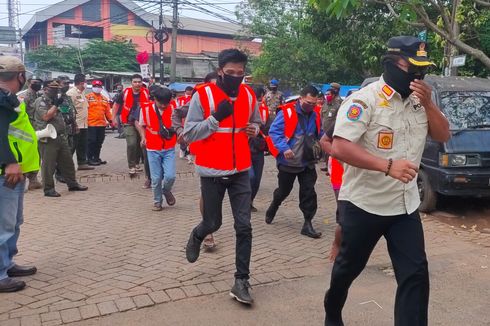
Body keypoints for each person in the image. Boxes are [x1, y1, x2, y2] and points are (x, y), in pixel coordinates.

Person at [323, 36, 451, 326]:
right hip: (364, 204)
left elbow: (443, 135)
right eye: (413, 68)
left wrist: (429, 104)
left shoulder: (421, 103)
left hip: (404, 207)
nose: (419, 76)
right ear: (393, 64)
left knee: (415, 275)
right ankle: (332, 309)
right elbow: (340, 146)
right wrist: (387, 165)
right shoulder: (364, 100)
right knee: (347, 269)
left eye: (423, 69)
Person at [183, 48, 261, 305]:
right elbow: (190, 134)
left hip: (240, 170)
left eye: (241, 73)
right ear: (220, 71)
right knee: (213, 223)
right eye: (230, 73)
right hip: (212, 171)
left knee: (244, 226)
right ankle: (198, 234)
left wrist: (254, 128)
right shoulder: (202, 95)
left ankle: (241, 281)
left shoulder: (249, 95)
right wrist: (216, 117)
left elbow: (256, 120)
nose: (236, 77)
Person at [0, 56, 39, 292]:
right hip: (7, 172)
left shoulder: (8, 99)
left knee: (14, 222)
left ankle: (8, 262)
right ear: (21, 77)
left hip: (13, 171)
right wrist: (10, 162)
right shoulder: (2, 99)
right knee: (4, 225)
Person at [265, 85, 323, 239]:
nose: (311, 106)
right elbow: (274, 132)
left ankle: (307, 223)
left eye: (314, 103)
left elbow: (321, 133)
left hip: (307, 161)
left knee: (308, 192)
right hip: (289, 161)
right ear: (301, 98)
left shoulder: (316, 114)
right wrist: (284, 148)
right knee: (284, 191)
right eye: (308, 102)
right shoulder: (287, 112)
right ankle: (274, 205)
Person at [34, 80, 88, 197]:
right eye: (52, 89)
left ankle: (72, 184)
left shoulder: (56, 100)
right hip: (48, 138)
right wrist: (55, 105)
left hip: (60, 136)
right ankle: (48, 189)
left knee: (67, 162)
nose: (55, 91)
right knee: (49, 165)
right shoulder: (41, 101)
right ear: (45, 89)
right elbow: (46, 116)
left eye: (56, 89)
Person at [138, 86, 177, 211]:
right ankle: (157, 201)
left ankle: (166, 190)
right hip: (152, 148)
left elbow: (179, 124)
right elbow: (142, 125)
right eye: (161, 103)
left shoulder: (174, 108)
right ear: (155, 99)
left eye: (167, 103)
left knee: (170, 176)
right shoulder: (145, 109)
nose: (164, 106)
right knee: (156, 178)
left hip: (169, 147)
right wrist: (143, 137)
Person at [112, 74, 150, 175]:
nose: (137, 84)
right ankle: (131, 166)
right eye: (135, 82)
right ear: (131, 83)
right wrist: (113, 118)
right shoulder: (125, 93)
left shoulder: (147, 93)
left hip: (142, 122)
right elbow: (116, 105)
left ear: (142, 83)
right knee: (131, 143)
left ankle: (137, 163)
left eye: (139, 82)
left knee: (140, 143)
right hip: (128, 122)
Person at [66, 74, 93, 171]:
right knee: (72, 146)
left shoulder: (82, 92)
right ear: (82, 83)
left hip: (84, 124)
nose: (86, 84)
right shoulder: (71, 93)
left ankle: (82, 163)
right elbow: (68, 110)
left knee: (82, 145)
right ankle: (66, 167)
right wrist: (73, 124)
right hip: (75, 125)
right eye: (86, 82)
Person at [54, 76, 78, 183]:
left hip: (69, 128)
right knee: (63, 152)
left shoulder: (67, 97)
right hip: (61, 129)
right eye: (65, 83)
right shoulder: (55, 97)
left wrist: (75, 124)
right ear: (58, 84)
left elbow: (72, 111)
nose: (67, 85)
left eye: (68, 83)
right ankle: (59, 173)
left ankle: (64, 172)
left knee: (71, 150)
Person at [249, 86, 268, 212]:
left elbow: (265, 125)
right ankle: (244, 200)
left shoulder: (264, 108)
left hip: (259, 148)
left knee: (256, 179)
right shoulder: (245, 107)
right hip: (245, 148)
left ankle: (249, 201)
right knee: (250, 177)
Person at [22, 75, 43, 190]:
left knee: (36, 154)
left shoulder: (36, 95)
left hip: (36, 127)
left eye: (39, 82)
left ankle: (33, 179)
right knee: (28, 154)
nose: (38, 84)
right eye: (35, 82)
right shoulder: (25, 96)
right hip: (28, 129)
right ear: (29, 82)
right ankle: (25, 181)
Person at [86, 80, 112, 166]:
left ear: (101, 88)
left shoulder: (104, 99)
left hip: (101, 124)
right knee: (91, 141)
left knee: (99, 142)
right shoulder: (88, 97)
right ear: (93, 87)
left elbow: (108, 112)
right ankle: (89, 158)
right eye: (95, 86)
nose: (97, 88)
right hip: (91, 123)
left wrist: (111, 121)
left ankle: (97, 158)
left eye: (99, 86)